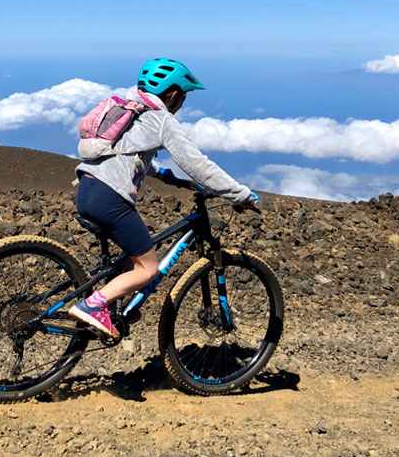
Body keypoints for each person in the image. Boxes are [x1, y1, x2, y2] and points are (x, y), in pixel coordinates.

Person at [69, 58, 259, 337]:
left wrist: (163, 174)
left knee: (129, 257)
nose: (182, 104)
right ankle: (93, 306)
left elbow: (123, 152)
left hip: (87, 189)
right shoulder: (161, 121)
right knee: (148, 269)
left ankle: (111, 305)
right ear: (172, 95)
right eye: (182, 97)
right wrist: (239, 194)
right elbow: (199, 165)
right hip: (110, 198)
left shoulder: (129, 108)